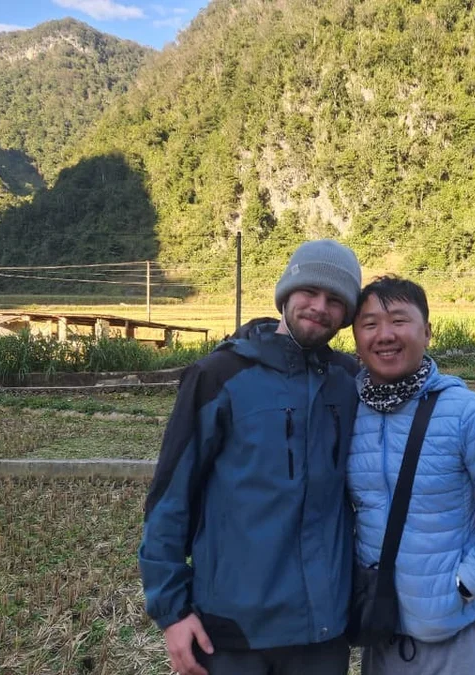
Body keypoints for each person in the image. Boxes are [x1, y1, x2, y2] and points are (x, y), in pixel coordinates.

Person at [139, 239, 363, 675]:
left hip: (322, 631)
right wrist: (171, 612)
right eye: (310, 292)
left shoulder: (349, 382)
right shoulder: (219, 377)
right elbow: (170, 499)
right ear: (285, 294)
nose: (320, 307)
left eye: (336, 300)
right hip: (232, 629)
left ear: (347, 315)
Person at [347, 275, 475, 674]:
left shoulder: (466, 413)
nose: (384, 335)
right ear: (356, 338)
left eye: (399, 320)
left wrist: (464, 585)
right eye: (370, 324)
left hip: (453, 636)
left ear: (427, 331)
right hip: (380, 629)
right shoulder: (348, 411)